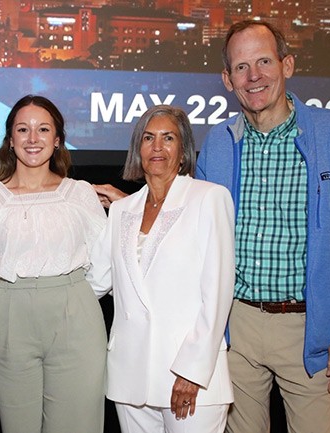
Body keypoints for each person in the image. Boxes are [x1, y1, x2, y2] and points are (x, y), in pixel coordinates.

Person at [195, 20, 330, 433]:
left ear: (288, 64)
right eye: (242, 67)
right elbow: (196, 232)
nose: (254, 76)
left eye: (264, 61)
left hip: (310, 332)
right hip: (236, 329)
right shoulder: (217, 143)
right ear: (227, 80)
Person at [0, 94, 108, 433]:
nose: (32, 138)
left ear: (57, 140)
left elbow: (104, 260)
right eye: (22, 129)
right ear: (10, 140)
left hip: (76, 317)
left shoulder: (79, 193)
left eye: (43, 129)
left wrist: (76, 296)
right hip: (10, 318)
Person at [87, 105, 235, 433]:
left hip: (191, 378)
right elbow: (93, 283)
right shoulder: (122, 210)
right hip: (130, 378)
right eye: (148, 138)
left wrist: (192, 372)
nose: (157, 147)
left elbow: (218, 293)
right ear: (137, 150)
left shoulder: (209, 198)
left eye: (168, 138)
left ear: (182, 150)